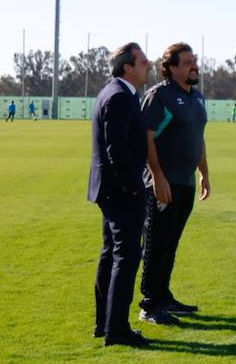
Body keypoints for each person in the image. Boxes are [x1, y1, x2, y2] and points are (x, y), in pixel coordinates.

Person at [138, 43, 210, 327]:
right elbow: (147, 138)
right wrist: (157, 177)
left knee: (171, 243)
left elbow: (199, 138)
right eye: (187, 62)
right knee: (156, 243)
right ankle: (149, 304)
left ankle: (164, 296)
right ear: (171, 68)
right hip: (163, 183)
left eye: (195, 61)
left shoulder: (198, 98)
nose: (194, 66)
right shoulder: (160, 96)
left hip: (186, 182)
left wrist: (204, 173)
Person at [88, 42, 152, 348]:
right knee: (125, 258)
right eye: (142, 61)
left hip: (112, 190)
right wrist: (133, 187)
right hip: (121, 192)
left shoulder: (119, 94)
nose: (148, 65)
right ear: (128, 66)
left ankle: (106, 324)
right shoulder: (119, 97)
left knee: (111, 255)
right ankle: (116, 329)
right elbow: (117, 150)